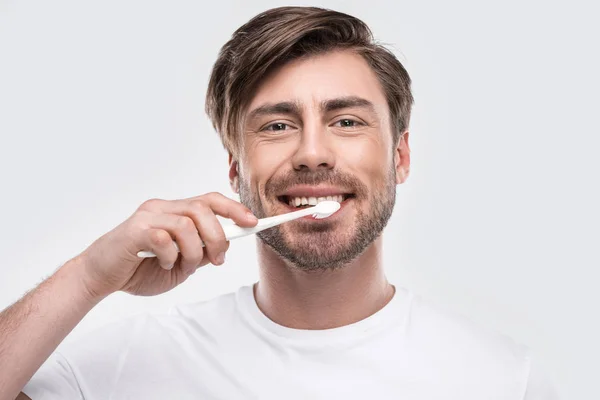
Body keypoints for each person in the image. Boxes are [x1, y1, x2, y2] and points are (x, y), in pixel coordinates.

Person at [0, 6, 558, 400]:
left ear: (400, 157)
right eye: (277, 125)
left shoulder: (501, 380)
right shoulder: (120, 367)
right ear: (236, 167)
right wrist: (88, 276)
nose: (312, 152)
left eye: (346, 121)